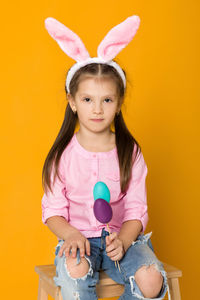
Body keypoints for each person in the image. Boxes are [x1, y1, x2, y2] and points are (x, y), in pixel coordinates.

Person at [41, 16, 170, 300]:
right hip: (79, 240)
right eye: (88, 100)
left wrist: (124, 241)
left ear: (119, 102)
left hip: (121, 240)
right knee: (74, 271)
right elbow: (52, 211)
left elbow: (136, 210)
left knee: (151, 279)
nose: (97, 109)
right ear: (72, 102)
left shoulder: (129, 151)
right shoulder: (62, 156)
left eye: (107, 100)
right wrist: (71, 235)